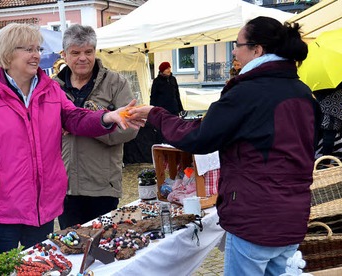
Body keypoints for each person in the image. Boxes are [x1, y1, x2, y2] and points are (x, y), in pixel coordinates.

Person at [128, 17, 319, 275]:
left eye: (237, 44)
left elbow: (200, 137)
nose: (233, 50)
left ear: (257, 49)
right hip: (293, 215)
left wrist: (156, 114)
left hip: (256, 217)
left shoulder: (248, 92)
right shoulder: (303, 93)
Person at [0, 23, 137, 256]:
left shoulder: (51, 90)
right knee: (4, 271)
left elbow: (75, 118)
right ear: (8, 54)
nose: (36, 55)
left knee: (43, 268)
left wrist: (107, 116)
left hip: (42, 210)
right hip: (1, 210)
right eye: (29, 49)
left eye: (38, 49)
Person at [52, 24, 138, 229]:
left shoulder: (116, 83)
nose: (83, 58)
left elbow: (131, 127)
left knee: (104, 250)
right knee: (71, 249)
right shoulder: (53, 87)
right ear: (64, 54)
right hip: (66, 187)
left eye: (88, 52)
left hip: (103, 186)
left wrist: (86, 126)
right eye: (76, 52)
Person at [313, 77, 342, 159]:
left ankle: (312, 158)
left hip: (323, 104)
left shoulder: (315, 73)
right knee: (329, 133)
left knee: (318, 132)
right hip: (335, 105)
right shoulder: (336, 70)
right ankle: (326, 161)